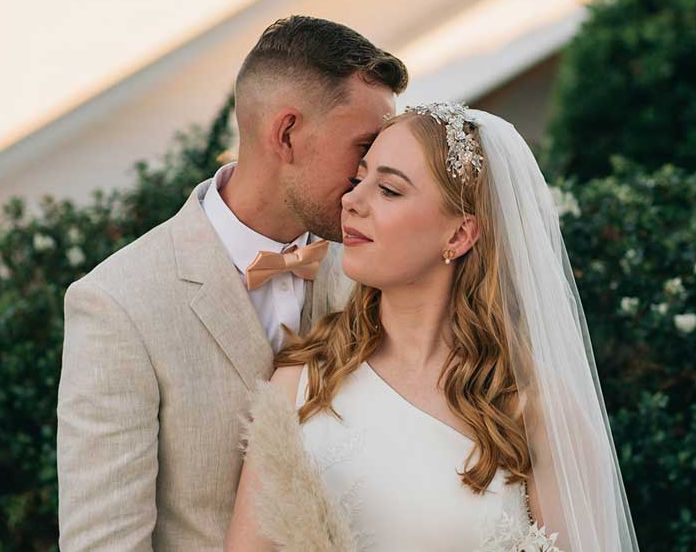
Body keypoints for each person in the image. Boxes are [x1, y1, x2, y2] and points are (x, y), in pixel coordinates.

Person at [56, 16, 407, 550]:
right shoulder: (118, 304)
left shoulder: (379, 269)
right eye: (362, 147)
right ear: (286, 134)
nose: (371, 172)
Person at [226, 103, 641, 551]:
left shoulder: (535, 411)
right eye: (358, 179)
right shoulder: (301, 386)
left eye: (388, 189)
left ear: (460, 235)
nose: (352, 201)